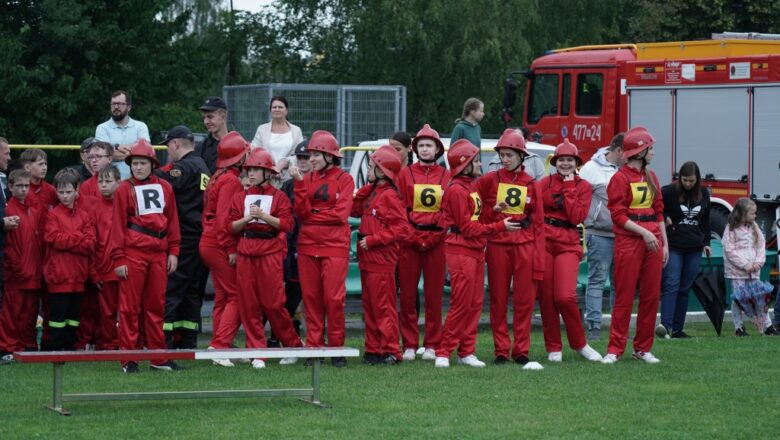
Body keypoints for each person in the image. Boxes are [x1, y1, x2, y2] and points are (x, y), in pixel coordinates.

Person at [434, 139, 522, 369]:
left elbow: (476, 220)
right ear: (465, 164)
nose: (481, 166)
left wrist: (494, 211)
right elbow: (467, 228)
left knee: (473, 303)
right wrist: (499, 227)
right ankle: (444, 351)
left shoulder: (469, 186)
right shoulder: (455, 190)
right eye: (476, 162)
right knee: (461, 303)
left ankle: (466, 351)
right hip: (461, 249)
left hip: (473, 249)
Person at [109, 140, 181, 373]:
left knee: (156, 306)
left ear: (152, 164)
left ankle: (157, 357)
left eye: (142, 163)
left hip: (158, 252)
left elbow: (173, 222)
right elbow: (117, 226)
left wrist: (174, 251)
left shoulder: (165, 187)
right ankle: (129, 358)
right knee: (129, 308)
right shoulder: (123, 189)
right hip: (133, 253)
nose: (138, 167)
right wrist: (119, 258)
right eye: (134, 163)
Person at [229, 148, 304, 369]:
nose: (251, 173)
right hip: (245, 251)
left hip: (269, 252)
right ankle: (257, 352)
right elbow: (230, 226)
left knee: (274, 304)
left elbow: (288, 225)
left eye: (256, 169)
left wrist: (263, 217)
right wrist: (247, 219)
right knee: (248, 304)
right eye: (249, 169)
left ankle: (293, 345)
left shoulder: (278, 197)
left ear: (267, 173)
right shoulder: (240, 197)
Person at [476, 129, 545, 368]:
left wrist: (538, 260)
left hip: (524, 246)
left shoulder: (532, 184)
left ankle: (521, 350)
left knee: (524, 300)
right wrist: (493, 210)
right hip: (497, 245)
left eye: (509, 155)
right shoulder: (488, 180)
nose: (505, 159)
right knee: (498, 299)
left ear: (521, 156)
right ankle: (501, 350)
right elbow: (476, 213)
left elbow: (538, 224)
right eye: (502, 155)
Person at [602, 126, 667, 364]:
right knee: (625, 296)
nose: (652, 153)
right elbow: (618, 216)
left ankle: (642, 348)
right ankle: (615, 349)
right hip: (630, 241)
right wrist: (644, 234)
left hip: (653, 241)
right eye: (649, 148)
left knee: (650, 297)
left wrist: (664, 244)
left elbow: (659, 212)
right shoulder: (619, 178)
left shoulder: (652, 177)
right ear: (639, 152)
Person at [290, 130, 354, 367]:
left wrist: (315, 214)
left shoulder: (344, 179)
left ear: (329, 155)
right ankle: (314, 348)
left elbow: (341, 215)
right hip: (308, 245)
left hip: (335, 245)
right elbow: (302, 213)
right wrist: (301, 190)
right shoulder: (305, 179)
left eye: (316, 154)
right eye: (310, 154)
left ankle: (337, 348)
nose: (311, 158)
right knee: (311, 299)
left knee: (334, 299)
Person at [538, 140, 602, 363]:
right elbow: (533, 210)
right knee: (546, 297)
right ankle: (554, 346)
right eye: (561, 160)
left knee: (564, 296)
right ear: (555, 162)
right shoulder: (544, 183)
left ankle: (580, 343)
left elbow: (576, 217)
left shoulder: (583, 186)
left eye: (570, 160)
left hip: (568, 243)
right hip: (544, 242)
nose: (565, 163)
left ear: (576, 163)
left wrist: (567, 188)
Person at [351, 146, 410, 365]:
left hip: (381, 260)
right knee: (370, 306)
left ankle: (392, 350)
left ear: (383, 171)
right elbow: (354, 210)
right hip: (368, 260)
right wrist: (365, 190)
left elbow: (402, 229)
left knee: (383, 307)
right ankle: (373, 349)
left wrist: (374, 240)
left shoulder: (390, 197)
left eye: (372, 166)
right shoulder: (374, 191)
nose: (368, 169)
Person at [396, 124, 449, 361]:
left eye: (429, 145)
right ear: (415, 148)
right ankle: (408, 343)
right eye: (421, 145)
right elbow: (400, 209)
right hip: (410, 241)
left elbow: (447, 210)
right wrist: (413, 236)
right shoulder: (405, 174)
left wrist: (433, 237)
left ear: (437, 149)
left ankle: (432, 344)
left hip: (436, 242)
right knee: (407, 295)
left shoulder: (446, 175)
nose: (425, 149)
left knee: (434, 295)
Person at [156, 126, 211, 349]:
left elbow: (162, 180)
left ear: (176, 144)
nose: (168, 151)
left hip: (185, 237)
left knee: (172, 289)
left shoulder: (185, 167)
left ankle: (164, 343)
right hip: (198, 236)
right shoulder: (202, 166)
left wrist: (147, 167)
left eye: (168, 146)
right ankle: (188, 342)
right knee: (190, 293)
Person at [200, 131, 248, 364]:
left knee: (222, 296)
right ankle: (220, 347)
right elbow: (224, 221)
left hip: (209, 241)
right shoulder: (230, 180)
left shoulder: (218, 176)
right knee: (237, 296)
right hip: (219, 242)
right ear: (238, 158)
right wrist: (230, 248)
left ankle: (220, 342)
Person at [656, 161, 712, 339]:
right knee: (671, 284)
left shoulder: (703, 194)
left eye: (692, 181)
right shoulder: (668, 192)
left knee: (685, 287)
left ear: (697, 180)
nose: (688, 184)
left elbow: (706, 220)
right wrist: (665, 217)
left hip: (694, 247)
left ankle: (678, 329)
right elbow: (655, 208)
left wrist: (706, 242)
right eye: (685, 180)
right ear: (680, 178)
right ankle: (665, 326)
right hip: (674, 246)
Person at [42, 169, 96, 351]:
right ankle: (56, 347)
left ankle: (70, 345)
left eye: (68, 192)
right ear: (56, 191)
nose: (64, 196)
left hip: (78, 276)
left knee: (74, 315)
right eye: (61, 192)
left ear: (77, 190)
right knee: (58, 315)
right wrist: (78, 238)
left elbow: (90, 243)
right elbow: (54, 239)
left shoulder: (84, 215)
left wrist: (70, 239)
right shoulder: (53, 215)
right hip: (58, 274)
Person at [578, 134, 624, 340]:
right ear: (619, 151)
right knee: (597, 280)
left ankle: (618, 328)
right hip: (600, 233)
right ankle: (594, 329)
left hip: (624, 234)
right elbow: (578, 195)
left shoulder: (629, 169)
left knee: (620, 283)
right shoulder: (590, 168)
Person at [0, 170, 43, 361]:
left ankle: (27, 344)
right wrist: (15, 267)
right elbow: (7, 244)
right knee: (12, 311)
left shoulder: (32, 209)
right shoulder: (8, 210)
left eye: (27, 186)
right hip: (16, 273)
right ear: (10, 187)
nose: (24, 189)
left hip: (33, 271)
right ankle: (7, 347)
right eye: (19, 185)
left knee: (30, 311)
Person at [721, 198, 778, 336]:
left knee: (760, 298)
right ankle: (739, 328)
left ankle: (767, 326)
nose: (755, 216)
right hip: (737, 272)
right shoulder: (731, 228)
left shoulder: (754, 227)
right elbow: (729, 250)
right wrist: (744, 264)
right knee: (739, 299)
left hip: (753, 271)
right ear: (741, 214)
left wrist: (758, 262)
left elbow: (760, 245)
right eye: (752, 214)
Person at [279, 140, 312, 341]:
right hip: (292, 246)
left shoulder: (317, 182)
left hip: (311, 242)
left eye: (306, 157)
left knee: (312, 299)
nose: (302, 161)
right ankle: (288, 338)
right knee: (290, 297)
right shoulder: (287, 185)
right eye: (299, 157)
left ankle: (316, 340)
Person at [92, 165, 122, 350]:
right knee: (107, 311)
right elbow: (92, 242)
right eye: (101, 181)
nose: (103, 185)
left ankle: (128, 342)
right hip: (104, 268)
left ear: (119, 182)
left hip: (124, 266)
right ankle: (109, 345)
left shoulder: (127, 205)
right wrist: (94, 271)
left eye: (108, 181)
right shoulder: (95, 209)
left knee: (128, 309)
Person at [95, 90, 151, 179]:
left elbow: (145, 150)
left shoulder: (141, 126)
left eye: (120, 104)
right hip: (110, 183)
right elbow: (104, 156)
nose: (116, 107)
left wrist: (114, 148)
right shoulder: (102, 128)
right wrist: (134, 153)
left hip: (136, 181)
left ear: (129, 107)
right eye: (113, 104)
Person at [250, 96, 304, 180]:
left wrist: (282, 164)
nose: (277, 109)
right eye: (274, 107)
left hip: (289, 177)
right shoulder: (262, 129)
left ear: (286, 110)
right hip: (266, 176)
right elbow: (255, 150)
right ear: (271, 110)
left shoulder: (296, 131)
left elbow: (299, 154)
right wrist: (273, 168)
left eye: (280, 107)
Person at [197, 97, 229, 174]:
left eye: (210, 117)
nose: (205, 122)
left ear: (223, 116)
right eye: (204, 117)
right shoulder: (200, 148)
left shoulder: (238, 145)